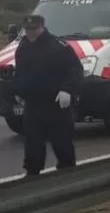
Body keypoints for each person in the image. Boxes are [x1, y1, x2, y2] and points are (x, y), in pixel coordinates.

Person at [11, 14, 83, 175]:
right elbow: (20, 72)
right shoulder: (23, 47)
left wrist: (67, 89)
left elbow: (74, 70)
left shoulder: (58, 47)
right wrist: (19, 91)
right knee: (32, 142)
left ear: (42, 28)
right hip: (33, 104)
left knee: (61, 141)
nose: (31, 33)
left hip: (56, 104)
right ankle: (32, 173)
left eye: (34, 29)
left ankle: (67, 172)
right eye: (28, 29)